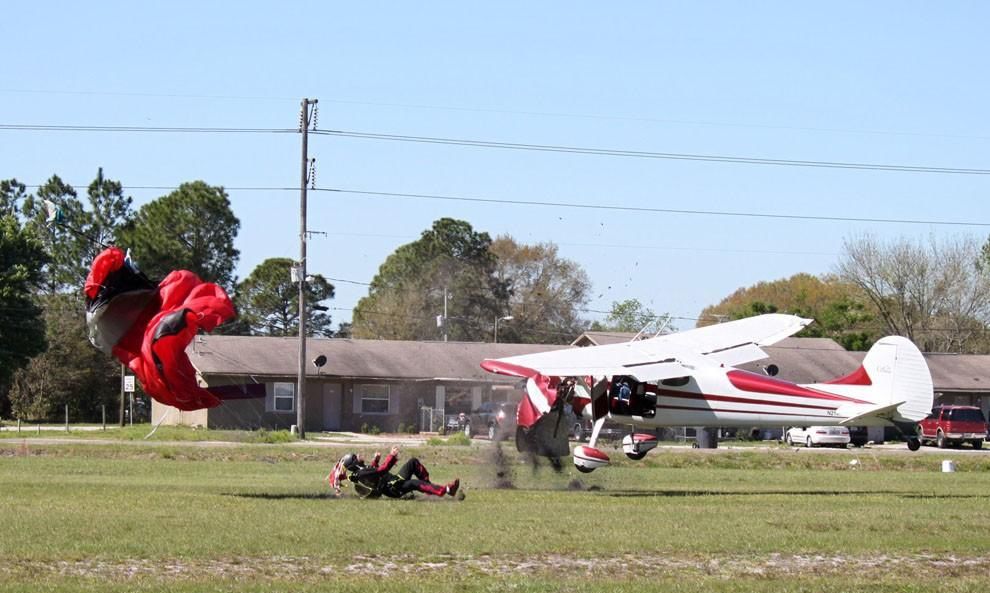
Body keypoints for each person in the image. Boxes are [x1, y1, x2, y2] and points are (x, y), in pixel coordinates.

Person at [328, 446, 460, 499]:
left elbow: (374, 471)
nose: (358, 455)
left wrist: (376, 459)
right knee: (414, 483)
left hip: (395, 480)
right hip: (394, 488)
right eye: (355, 456)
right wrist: (391, 456)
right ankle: (446, 490)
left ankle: (430, 489)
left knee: (413, 462)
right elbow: (381, 470)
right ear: (353, 463)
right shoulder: (361, 474)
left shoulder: (362, 472)